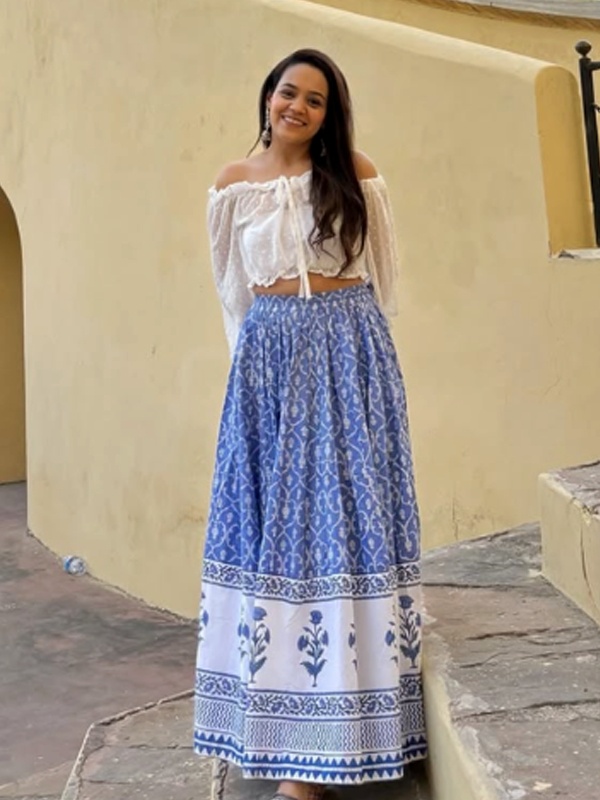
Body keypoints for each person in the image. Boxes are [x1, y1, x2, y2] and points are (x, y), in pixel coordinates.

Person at [194, 49, 427, 800]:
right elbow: (234, 296)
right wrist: (255, 391)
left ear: (330, 114)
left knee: (348, 527)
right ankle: (288, 744)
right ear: (267, 96)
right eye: (289, 92)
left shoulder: (355, 172)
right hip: (269, 365)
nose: (298, 106)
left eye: (316, 100)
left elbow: (384, 279)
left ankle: (359, 733)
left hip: (347, 349)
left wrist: (364, 375)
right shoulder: (232, 185)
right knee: (277, 545)